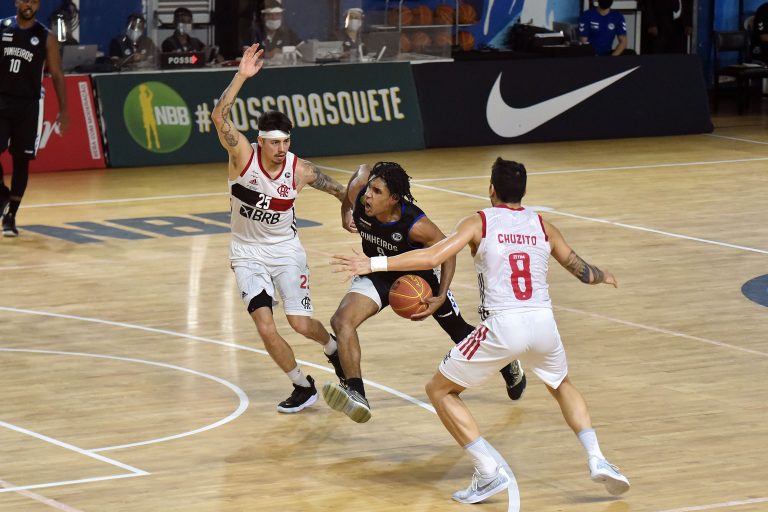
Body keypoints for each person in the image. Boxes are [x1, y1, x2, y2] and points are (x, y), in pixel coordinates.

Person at [332, 158, 630, 503]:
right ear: (523, 191)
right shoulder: (543, 226)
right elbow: (581, 271)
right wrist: (603, 275)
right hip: (544, 324)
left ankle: (487, 472)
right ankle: (597, 458)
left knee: (440, 390)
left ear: (491, 189)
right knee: (561, 384)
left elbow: (432, 257)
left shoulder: (479, 221)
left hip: (503, 326)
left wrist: (373, 263)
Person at [320, 162, 526, 424]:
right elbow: (361, 171)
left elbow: (448, 252)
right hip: (377, 270)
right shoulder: (360, 194)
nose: (368, 195)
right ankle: (356, 393)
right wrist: (345, 210)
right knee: (341, 321)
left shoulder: (416, 225)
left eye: (377, 191)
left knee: (459, 333)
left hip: (418, 277)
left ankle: (506, 362)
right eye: (369, 188)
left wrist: (441, 294)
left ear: (394, 199)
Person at [211, 43, 349, 413]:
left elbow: (338, 189)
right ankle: (302, 385)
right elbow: (219, 116)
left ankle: (332, 347)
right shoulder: (242, 156)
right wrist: (241, 76)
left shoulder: (299, 170)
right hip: (246, 252)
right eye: (274, 142)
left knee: (300, 324)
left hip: (285, 250)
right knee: (265, 327)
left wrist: (346, 208)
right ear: (260, 141)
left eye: (286, 142)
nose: (281, 149)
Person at [1, 0, 70, 237]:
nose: (28, 5)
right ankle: (1, 193)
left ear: (38, 6)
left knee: (21, 161)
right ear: (17, 2)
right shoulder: (2, 27)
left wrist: (64, 110)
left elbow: (57, 74)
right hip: (1, 100)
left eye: (33, 1)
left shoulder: (46, 37)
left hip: (28, 105)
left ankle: (11, 215)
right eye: (25, 0)